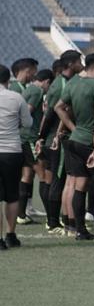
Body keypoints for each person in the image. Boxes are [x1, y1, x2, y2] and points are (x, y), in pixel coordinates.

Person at [54, 53, 94, 240]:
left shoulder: (73, 83)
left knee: (79, 185)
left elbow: (58, 107)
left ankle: (80, 229)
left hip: (74, 139)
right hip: (89, 141)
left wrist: (72, 127)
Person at [38, 50, 82, 235]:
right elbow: (51, 114)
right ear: (71, 64)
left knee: (54, 178)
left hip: (53, 138)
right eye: (79, 61)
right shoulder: (63, 84)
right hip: (57, 139)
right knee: (58, 180)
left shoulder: (62, 82)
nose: (81, 64)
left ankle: (56, 220)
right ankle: (54, 221)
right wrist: (43, 137)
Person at [0, 64, 33, 249]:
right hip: (12, 150)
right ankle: (10, 235)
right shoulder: (16, 97)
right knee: (12, 196)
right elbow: (28, 123)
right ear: (8, 80)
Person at [16, 69, 54, 225]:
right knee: (44, 175)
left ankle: (21, 215)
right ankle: (52, 218)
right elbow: (27, 112)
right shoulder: (37, 91)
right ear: (46, 81)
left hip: (23, 137)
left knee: (27, 175)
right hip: (30, 137)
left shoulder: (27, 89)